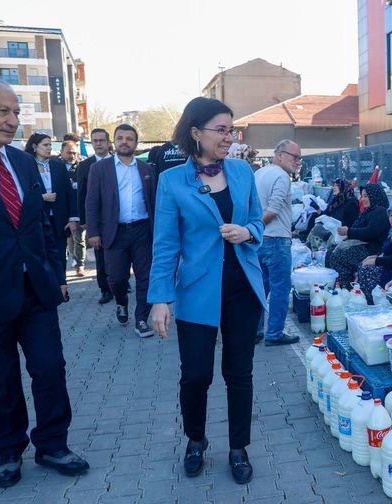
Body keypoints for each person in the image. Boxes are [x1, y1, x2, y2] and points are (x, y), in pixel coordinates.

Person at [0, 78, 88, 488]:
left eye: (16, 112)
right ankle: (8, 451)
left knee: (49, 369)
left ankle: (53, 445)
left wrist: (55, 275)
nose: (13, 121)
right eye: (2, 111)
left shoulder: (23, 163)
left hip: (35, 292)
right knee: (0, 378)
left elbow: (39, 227)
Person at [149, 97, 266, 483]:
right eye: (222, 130)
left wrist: (248, 231)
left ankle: (238, 448)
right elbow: (165, 245)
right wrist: (160, 299)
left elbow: (258, 222)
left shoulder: (242, 172)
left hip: (242, 290)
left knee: (240, 373)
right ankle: (195, 440)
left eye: (232, 130)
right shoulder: (171, 182)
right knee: (196, 375)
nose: (229, 137)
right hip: (197, 292)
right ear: (196, 133)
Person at [85, 124, 156, 338]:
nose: (124, 141)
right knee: (116, 278)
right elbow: (91, 201)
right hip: (114, 232)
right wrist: (93, 232)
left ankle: (142, 318)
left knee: (145, 277)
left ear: (136, 143)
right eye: (120, 137)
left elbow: (153, 202)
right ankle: (121, 303)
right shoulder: (100, 169)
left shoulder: (146, 169)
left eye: (129, 138)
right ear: (113, 141)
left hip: (142, 230)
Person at [253, 139, 300, 346]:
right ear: (279, 154)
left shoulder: (259, 173)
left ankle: (255, 331)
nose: (298, 161)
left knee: (259, 289)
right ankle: (274, 333)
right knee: (280, 288)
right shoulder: (281, 177)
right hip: (276, 241)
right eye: (294, 156)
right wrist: (256, 227)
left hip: (258, 242)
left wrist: (252, 230)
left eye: (299, 158)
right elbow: (272, 210)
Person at [24, 133, 79, 277]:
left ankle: (61, 285)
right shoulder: (26, 166)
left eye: (50, 145)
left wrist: (73, 218)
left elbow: (70, 193)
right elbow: (22, 193)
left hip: (59, 220)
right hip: (38, 219)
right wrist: (41, 197)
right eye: (45, 145)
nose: (49, 148)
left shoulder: (58, 165)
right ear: (35, 147)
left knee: (60, 255)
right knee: (42, 254)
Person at [327, 182, 391, 288]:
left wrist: (349, 232)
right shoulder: (368, 211)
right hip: (362, 245)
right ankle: (334, 285)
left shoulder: (380, 211)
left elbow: (371, 232)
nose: (363, 199)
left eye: (366, 196)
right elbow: (358, 228)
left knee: (338, 257)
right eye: (362, 196)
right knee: (330, 253)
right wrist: (346, 234)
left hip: (371, 250)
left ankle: (344, 287)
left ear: (374, 196)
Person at [75, 128, 114, 303]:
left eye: (101, 140)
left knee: (119, 252)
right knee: (100, 256)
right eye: (95, 141)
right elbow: (81, 194)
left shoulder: (118, 162)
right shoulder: (84, 165)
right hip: (96, 219)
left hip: (117, 217)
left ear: (108, 142)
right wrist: (84, 220)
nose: (98, 144)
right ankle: (105, 289)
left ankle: (120, 282)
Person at [302, 178, 359, 248]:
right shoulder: (335, 201)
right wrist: (317, 208)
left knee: (319, 229)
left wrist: (331, 224)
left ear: (344, 187)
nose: (334, 187)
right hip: (331, 227)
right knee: (316, 221)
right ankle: (309, 248)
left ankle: (316, 252)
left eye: (337, 185)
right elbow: (325, 214)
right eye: (333, 185)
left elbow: (349, 223)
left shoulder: (351, 203)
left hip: (342, 231)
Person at [59, 140, 85, 276]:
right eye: (69, 152)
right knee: (67, 238)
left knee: (78, 238)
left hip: (78, 207)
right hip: (61, 209)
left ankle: (79, 264)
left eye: (74, 152)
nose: (72, 155)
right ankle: (63, 267)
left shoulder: (82, 166)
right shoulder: (55, 166)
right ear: (62, 152)